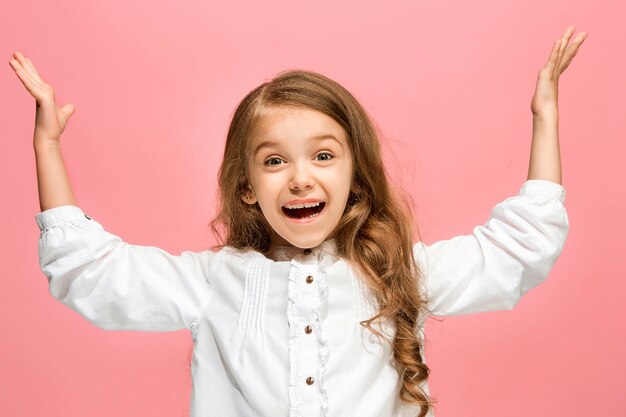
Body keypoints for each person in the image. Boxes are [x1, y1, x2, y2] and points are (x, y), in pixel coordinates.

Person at [10, 25, 586, 417]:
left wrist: (546, 118)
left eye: (324, 155)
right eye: (275, 161)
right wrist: (48, 151)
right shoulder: (214, 283)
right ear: (248, 189)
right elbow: (89, 273)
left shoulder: (403, 273)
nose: (301, 178)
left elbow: (519, 250)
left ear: (356, 177)